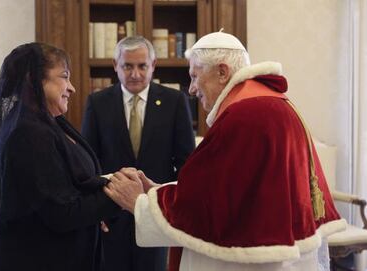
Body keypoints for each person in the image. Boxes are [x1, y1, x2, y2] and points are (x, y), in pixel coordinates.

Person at [103, 31, 347, 271]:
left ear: (222, 72)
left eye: (196, 76)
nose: (191, 88)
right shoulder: (271, 103)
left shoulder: (244, 116)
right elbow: (223, 190)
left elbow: (208, 208)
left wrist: (139, 203)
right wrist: (157, 191)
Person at [0, 42, 120, 271]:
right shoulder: (27, 134)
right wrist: (118, 195)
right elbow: (60, 213)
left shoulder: (50, 123)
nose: (72, 87)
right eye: (64, 77)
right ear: (33, 79)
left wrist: (107, 189)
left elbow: (71, 186)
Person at [81, 36, 195, 271]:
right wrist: (95, 207)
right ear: (115, 66)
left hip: (155, 211)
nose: (135, 74)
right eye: (127, 66)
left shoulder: (175, 101)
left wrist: (174, 205)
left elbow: (186, 163)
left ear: (153, 66)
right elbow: (89, 162)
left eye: (142, 66)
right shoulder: (97, 102)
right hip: (110, 213)